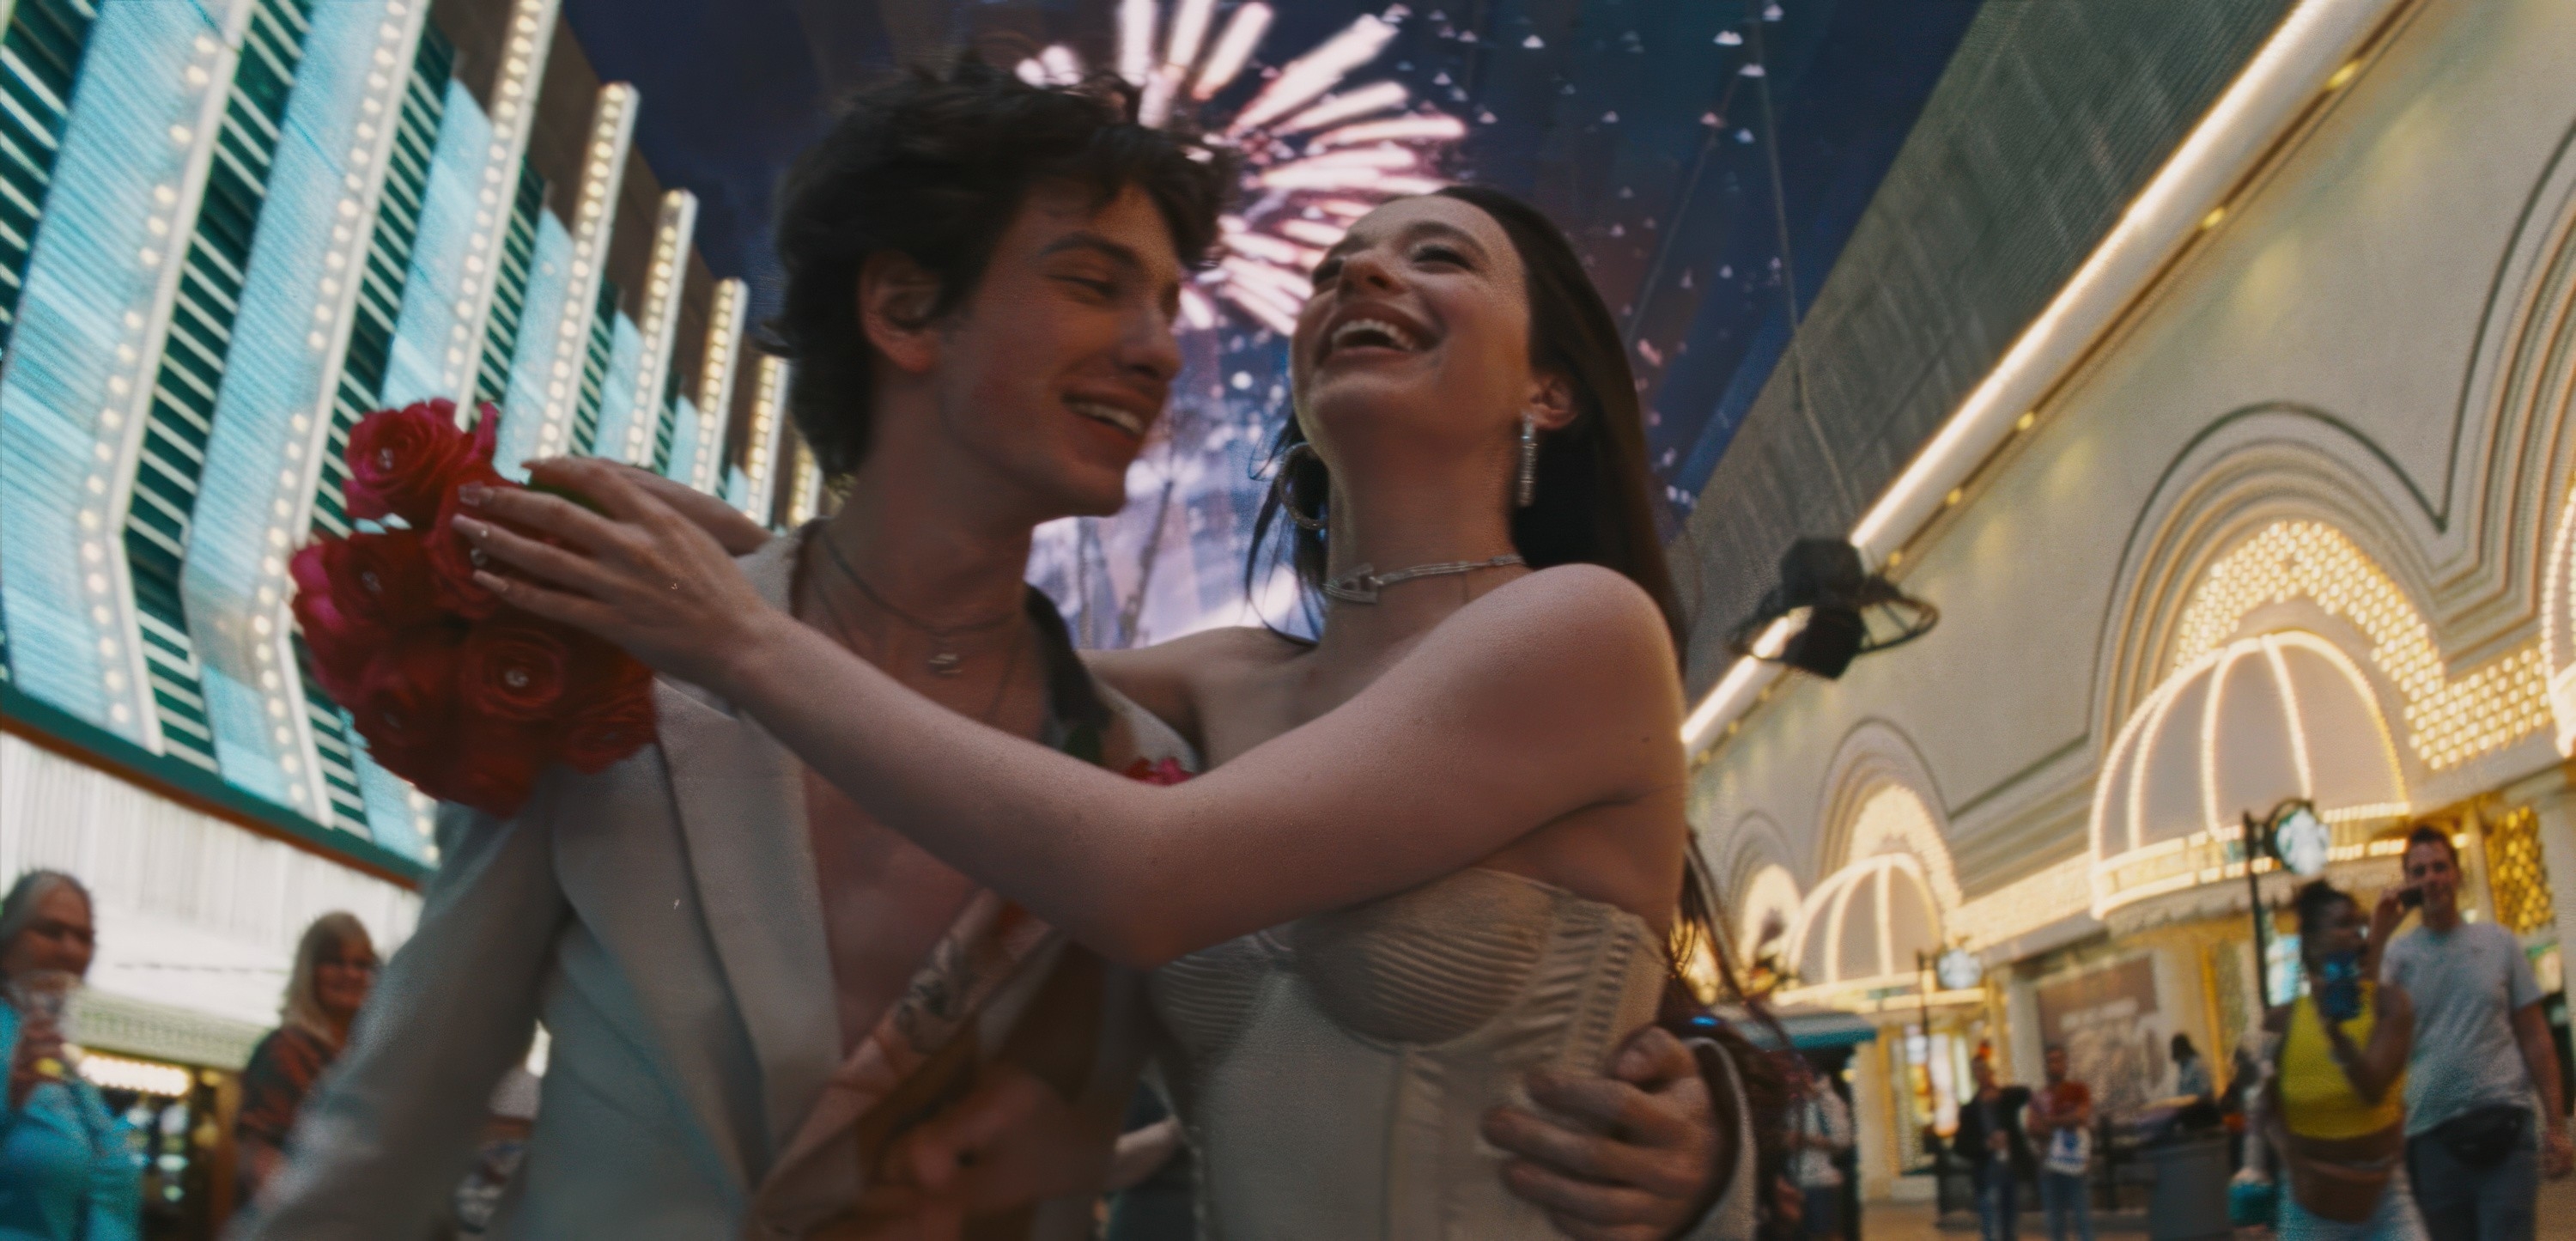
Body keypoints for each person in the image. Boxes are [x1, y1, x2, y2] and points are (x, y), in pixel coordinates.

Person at [249, 60, 1731, 1240]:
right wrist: (726, 547)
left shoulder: (1577, 630)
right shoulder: (1205, 690)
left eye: (1437, 258)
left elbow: (1149, 877)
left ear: (1549, 390)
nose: (1357, 280)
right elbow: (927, 656)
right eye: (1335, 265)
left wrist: (1712, 1129)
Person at [2372, 824, 2573, 1241]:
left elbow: (2536, 1038)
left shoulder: (2499, 943)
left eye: (2440, 867)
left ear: (2458, 874)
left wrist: (2556, 1126)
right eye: (2420, 871)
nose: (2431, 879)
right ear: (2408, 882)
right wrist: (2377, 937)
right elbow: (2366, 1026)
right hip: (2430, 1139)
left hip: (2506, 1129)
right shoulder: (2397, 956)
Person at [2255, 879, 2421, 1239]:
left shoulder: (2390, 1004)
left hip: (2384, 1196)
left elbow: (2373, 1088)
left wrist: (2336, 1035)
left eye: (2359, 926)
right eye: (2344, 924)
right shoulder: (2279, 1023)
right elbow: (2256, 1098)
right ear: (2312, 943)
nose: (2357, 936)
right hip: (2311, 1204)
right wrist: (2286, 1159)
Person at [0, 870, 139, 1240]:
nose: (71, 950)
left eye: (85, 937)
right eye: (50, 930)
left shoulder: (66, 1065)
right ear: (6, 946)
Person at [237, 913, 377, 1198]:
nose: (351, 974)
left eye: (362, 964)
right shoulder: (285, 1051)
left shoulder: (366, 1059)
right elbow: (262, 1166)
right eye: (336, 962)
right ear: (309, 970)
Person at [1951, 1057, 2032, 1241]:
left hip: (2009, 1168)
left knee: (2010, 1223)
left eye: (1984, 1069)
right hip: (1986, 1170)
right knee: (1990, 1225)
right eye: (1977, 1071)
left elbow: (2026, 1093)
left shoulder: (2005, 1100)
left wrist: (2000, 1094)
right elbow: (1960, 1146)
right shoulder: (1970, 1110)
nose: (1982, 1074)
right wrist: (1987, 1144)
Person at [2025, 1047, 2094, 1241]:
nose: (2054, 1065)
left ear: (2066, 1063)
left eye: (2058, 1060)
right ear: (2045, 1066)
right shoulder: (2038, 1097)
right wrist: (2065, 1122)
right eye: (2050, 1061)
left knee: (2083, 1221)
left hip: (2076, 1164)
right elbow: (2031, 1128)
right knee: (2055, 1224)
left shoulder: (2078, 1090)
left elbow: (2081, 1116)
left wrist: (2050, 1122)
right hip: (2049, 1166)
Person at [1789, 1070, 1851, 1238]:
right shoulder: (1790, 1101)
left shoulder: (1826, 1100)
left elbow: (1842, 1139)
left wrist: (1807, 1140)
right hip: (1792, 1180)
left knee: (1825, 1234)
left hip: (1821, 1181)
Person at [2173, 1033, 2212, 1104]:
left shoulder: (2197, 1065)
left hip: (2200, 1109)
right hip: (2190, 1109)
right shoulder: (2184, 1066)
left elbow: (2206, 1092)